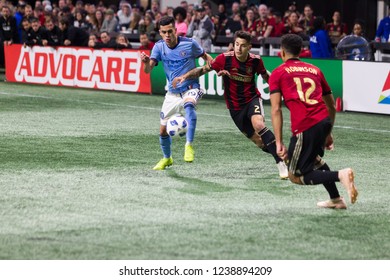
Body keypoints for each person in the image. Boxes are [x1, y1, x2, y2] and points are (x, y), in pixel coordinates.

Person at [172, 31, 289, 179]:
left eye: (243, 46)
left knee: (259, 125)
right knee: (260, 142)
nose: (239, 48)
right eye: (237, 44)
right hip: (235, 107)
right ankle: (287, 155)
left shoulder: (255, 61)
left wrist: (281, 91)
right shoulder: (223, 59)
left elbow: (266, 76)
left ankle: (281, 163)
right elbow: (202, 70)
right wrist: (184, 76)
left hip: (252, 99)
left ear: (249, 47)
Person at [268, 33, 358, 209]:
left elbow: (276, 109)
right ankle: (336, 199)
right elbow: (331, 105)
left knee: (296, 175)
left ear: (282, 53)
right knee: (314, 159)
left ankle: (340, 175)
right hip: (323, 122)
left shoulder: (278, 73)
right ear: (301, 51)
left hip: (305, 126)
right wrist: (328, 131)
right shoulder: (315, 70)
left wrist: (278, 142)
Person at [140, 15, 212, 170]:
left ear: (175, 30)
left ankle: (189, 145)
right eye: (164, 32)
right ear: (160, 32)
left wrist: (212, 64)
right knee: (162, 130)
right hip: (172, 94)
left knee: (189, 106)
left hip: (191, 88)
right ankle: (167, 158)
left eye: (170, 31)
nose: (167, 35)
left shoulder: (190, 44)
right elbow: (147, 70)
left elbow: (205, 57)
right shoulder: (159, 47)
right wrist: (145, 62)